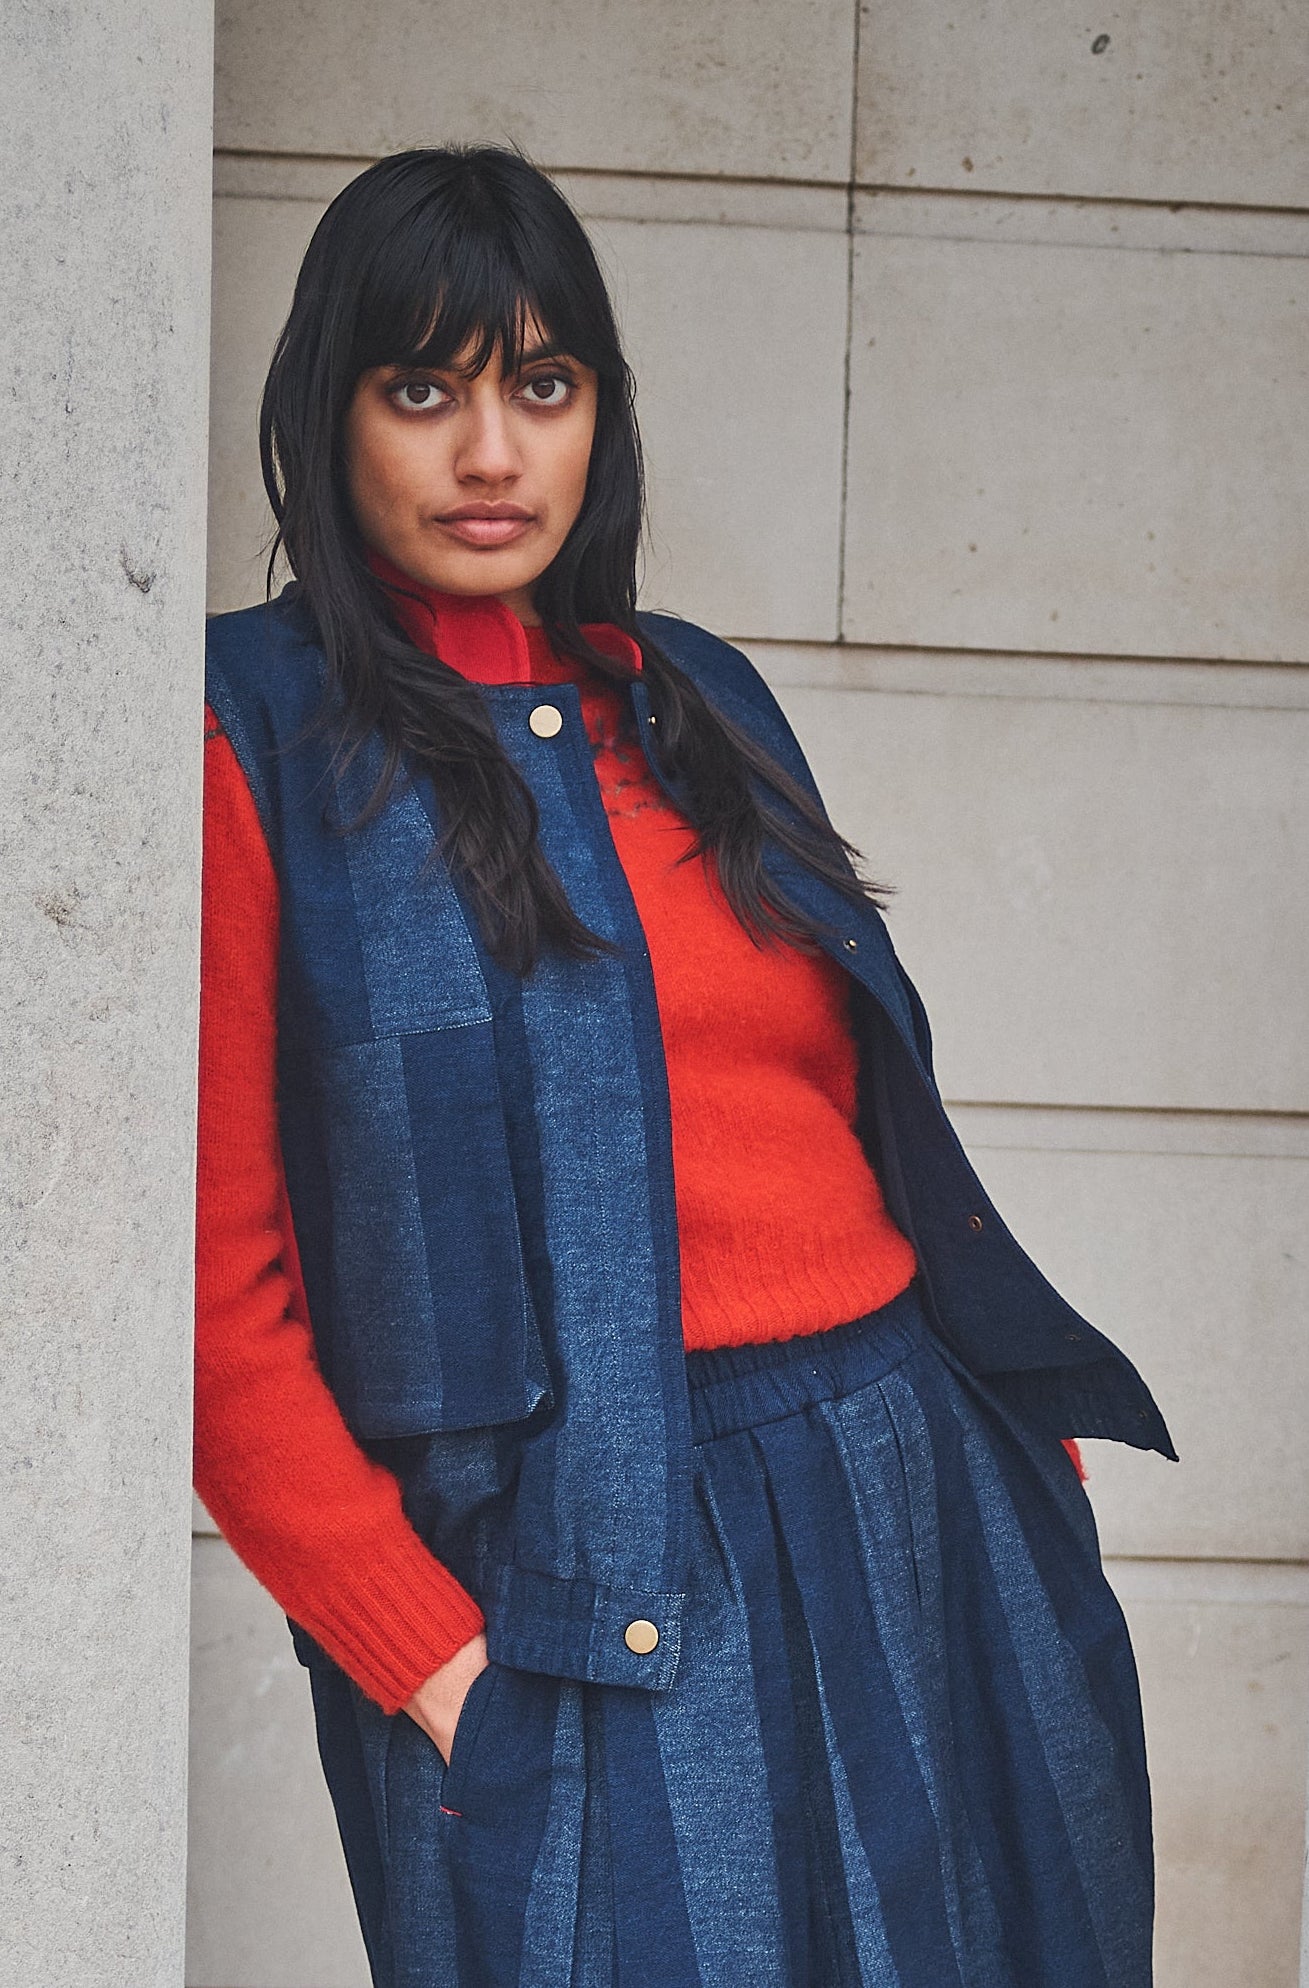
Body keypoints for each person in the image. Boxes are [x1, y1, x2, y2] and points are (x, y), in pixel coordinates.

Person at [197, 144, 1174, 1988]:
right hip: (568, 1584)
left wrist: (1016, 1463)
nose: (491, 454)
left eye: (540, 386)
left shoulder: (694, 694)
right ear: (323, 417)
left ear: (599, 419)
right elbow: (213, 1303)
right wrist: (430, 1662)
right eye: (423, 389)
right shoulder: (253, 743)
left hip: (908, 1495)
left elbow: (851, 1125)